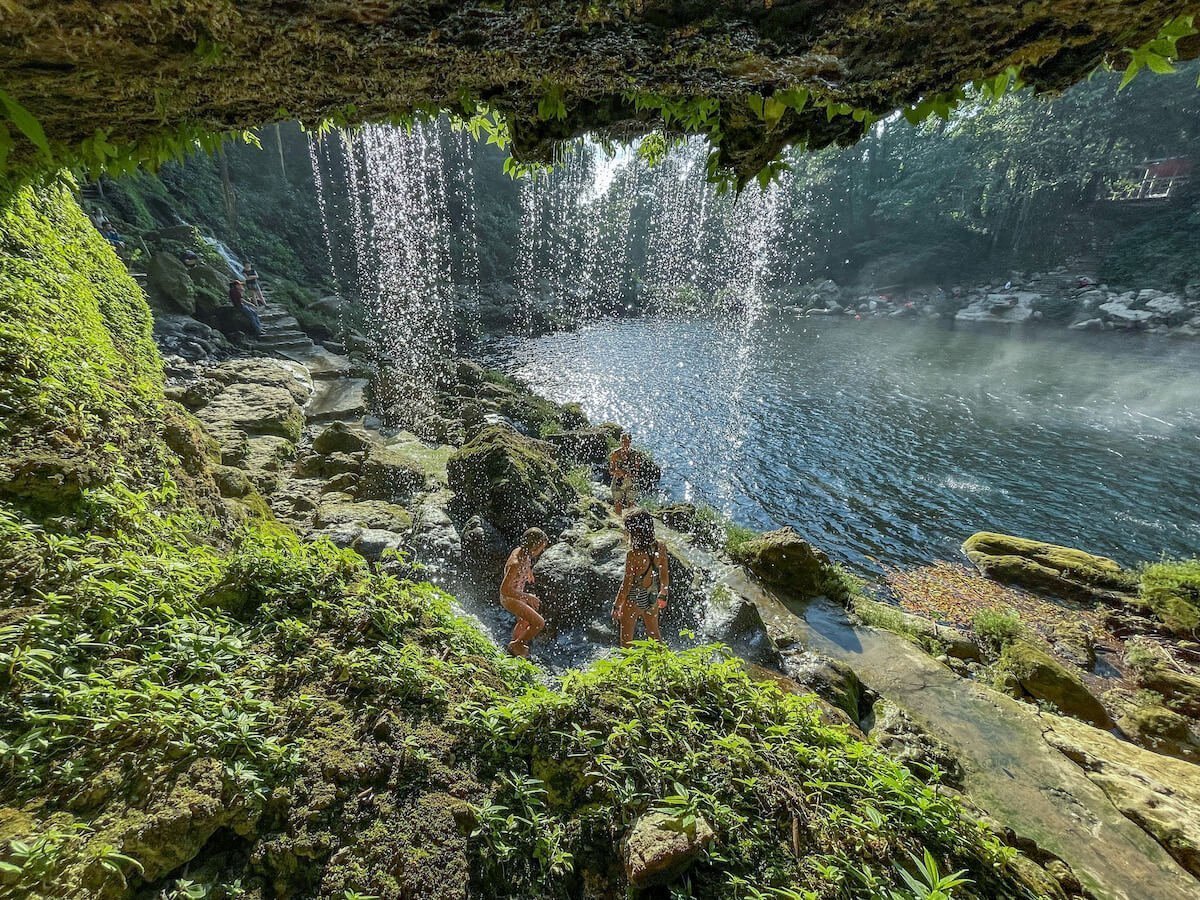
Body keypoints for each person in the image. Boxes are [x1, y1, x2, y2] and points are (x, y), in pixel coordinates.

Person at [612, 509, 669, 647]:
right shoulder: (660, 547)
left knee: (627, 642)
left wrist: (617, 606)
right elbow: (664, 575)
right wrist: (663, 594)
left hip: (633, 599)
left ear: (634, 533)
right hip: (652, 596)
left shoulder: (633, 555)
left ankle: (628, 667)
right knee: (654, 635)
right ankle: (665, 663)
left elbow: (626, 585)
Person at [500, 527, 549, 657]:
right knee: (539, 622)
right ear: (535, 547)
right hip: (510, 598)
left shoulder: (523, 553)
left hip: (516, 594)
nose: (541, 551)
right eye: (541, 548)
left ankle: (514, 646)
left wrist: (528, 571)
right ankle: (518, 643)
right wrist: (527, 596)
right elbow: (504, 590)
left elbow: (525, 562)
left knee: (525, 621)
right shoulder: (515, 563)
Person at [609, 432, 639, 515]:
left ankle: (631, 522)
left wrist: (630, 474)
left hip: (630, 481)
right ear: (620, 442)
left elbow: (637, 470)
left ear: (630, 442)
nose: (625, 443)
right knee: (618, 504)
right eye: (623, 441)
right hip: (618, 481)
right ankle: (619, 523)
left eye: (626, 441)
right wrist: (618, 472)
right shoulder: (615, 454)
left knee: (631, 504)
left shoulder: (635, 454)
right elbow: (611, 470)